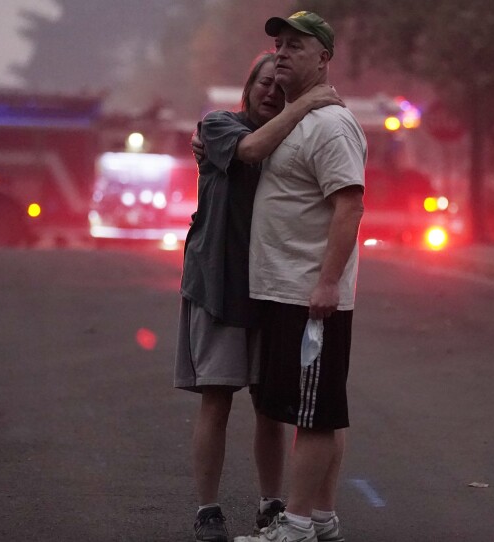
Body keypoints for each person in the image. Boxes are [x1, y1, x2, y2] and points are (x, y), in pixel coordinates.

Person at [174, 52, 343, 542]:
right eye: (264, 82)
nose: (271, 91)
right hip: (218, 286)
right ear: (248, 87)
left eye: (280, 85)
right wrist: (307, 101)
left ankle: (271, 504)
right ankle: (208, 509)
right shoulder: (219, 126)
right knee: (217, 400)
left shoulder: (292, 140)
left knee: (270, 407)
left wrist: (312, 106)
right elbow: (250, 150)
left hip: (274, 290)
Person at [236, 11, 367, 542]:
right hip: (280, 289)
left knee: (312, 414)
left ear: (324, 58)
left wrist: (328, 283)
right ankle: (321, 520)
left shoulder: (331, 125)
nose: (283, 52)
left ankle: (293, 527)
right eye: (278, 43)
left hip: (307, 293)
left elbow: (350, 206)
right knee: (315, 409)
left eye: (296, 45)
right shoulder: (294, 119)